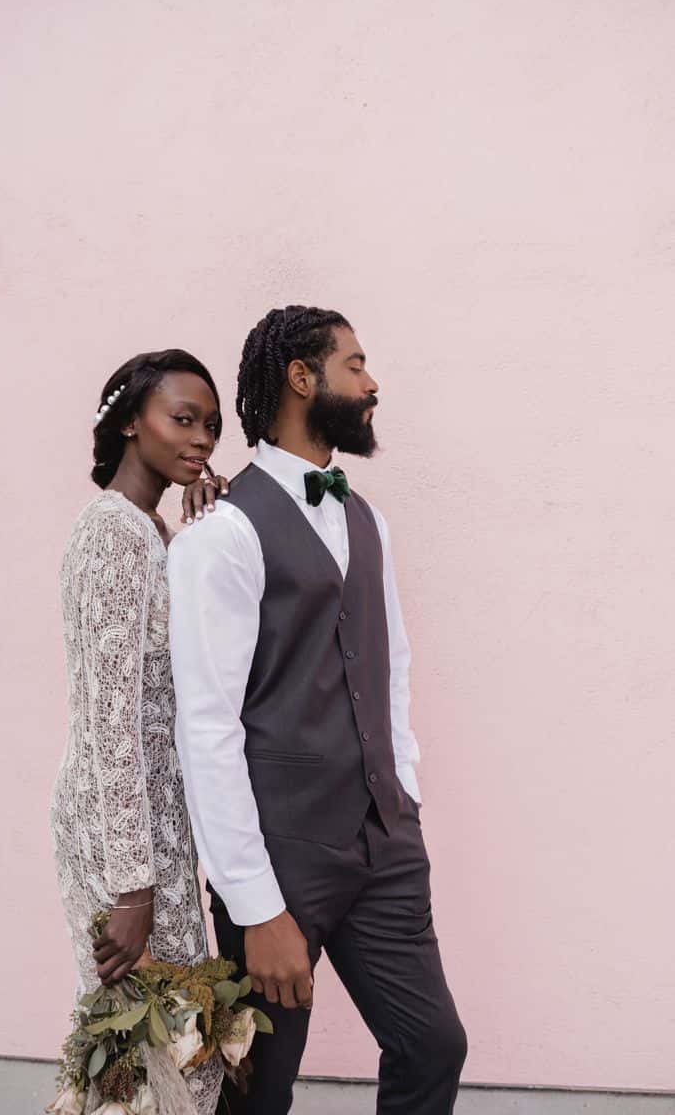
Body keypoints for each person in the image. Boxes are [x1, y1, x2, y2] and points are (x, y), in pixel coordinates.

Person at [167, 306, 468, 1113]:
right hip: (281, 856)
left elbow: (390, 663)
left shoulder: (366, 518)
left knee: (434, 1044)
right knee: (259, 1091)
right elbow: (206, 725)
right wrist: (255, 904)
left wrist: (401, 793)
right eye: (356, 365)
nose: (372, 384)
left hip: (382, 842)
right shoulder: (221, 534)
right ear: (303, 378)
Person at [52, 349, 231, 1114]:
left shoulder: (153, 530)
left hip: (159, 832)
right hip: (119, 837)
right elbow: (108, 719)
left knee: (177, 1048)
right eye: (182, 419)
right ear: (131, 421)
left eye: (212, 427)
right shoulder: (113, 536)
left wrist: (203, 539)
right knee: (145, 1049)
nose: (201, 441)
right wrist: (131, 888)